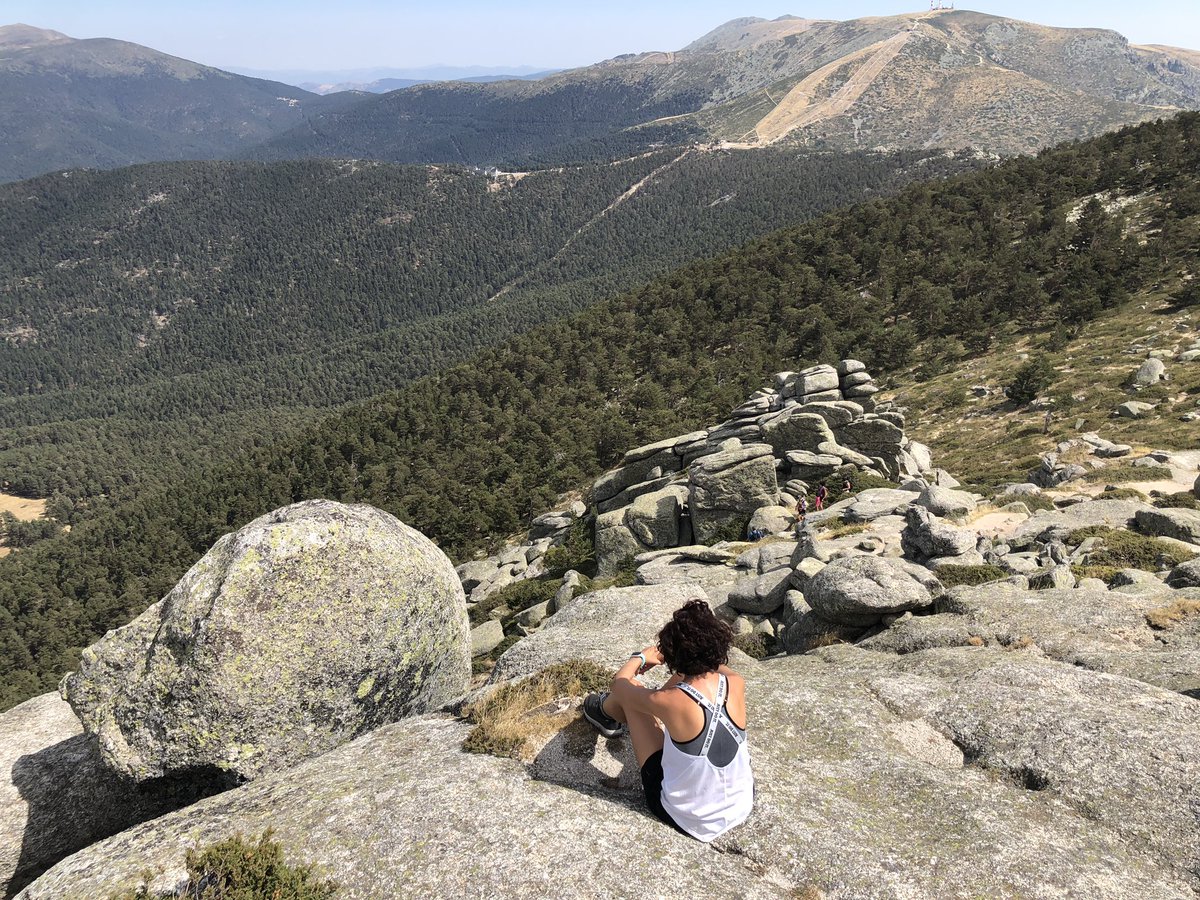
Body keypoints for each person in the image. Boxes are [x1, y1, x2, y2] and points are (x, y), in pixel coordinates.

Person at [581, 599, 754, 842]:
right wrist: (691, 652)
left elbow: (620, 683)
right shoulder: (735, 683)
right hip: (740, 804)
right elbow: (709, 667)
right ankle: (607, 713)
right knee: (680, 684)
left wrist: (640, 657)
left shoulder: (668, 701)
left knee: (632, 698)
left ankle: (604, 713)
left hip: (690, 818)